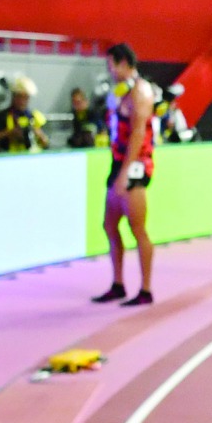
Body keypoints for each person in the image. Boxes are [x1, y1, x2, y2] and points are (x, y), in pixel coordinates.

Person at [91, 43, 157, 307]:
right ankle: (118, 284)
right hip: (119, 163)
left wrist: (126, 172)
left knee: (137, 228)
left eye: (111, 65)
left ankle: (146, 289)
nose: (110, 70)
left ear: (123, 63)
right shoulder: (121, 92)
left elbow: (139, 134)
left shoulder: (140, 91)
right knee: (109, 224)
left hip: (134, 165)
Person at [0, 76, 50, 153]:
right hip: (7, 158)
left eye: (25, 97)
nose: (22, 101)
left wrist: (39, 134)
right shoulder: (1, 116)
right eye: (19, 97)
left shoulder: (36, 117)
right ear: (13, 96)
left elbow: (46, 143)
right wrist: (9, 133)